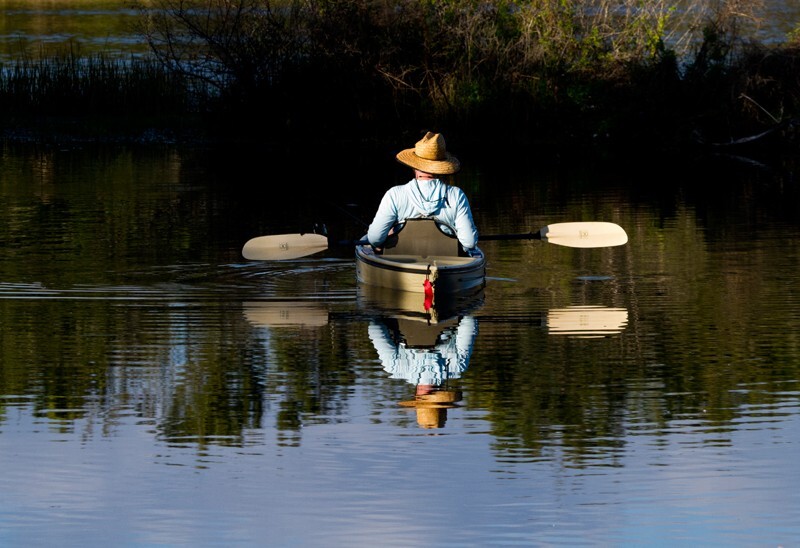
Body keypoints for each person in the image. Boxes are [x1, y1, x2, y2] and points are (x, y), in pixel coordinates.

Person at [366, 132, 479, 255]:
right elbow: (469, 242)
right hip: (447, 264)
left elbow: (375, 239)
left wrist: (390, 234)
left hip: (402, 264)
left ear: (414, 164)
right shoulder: (457, 195)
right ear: (440, 165)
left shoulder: (394, 195)